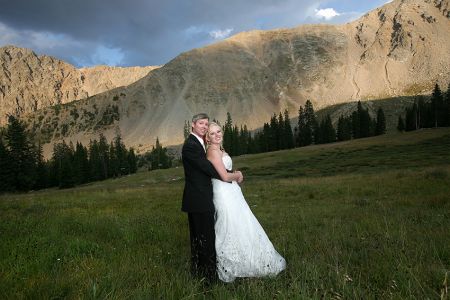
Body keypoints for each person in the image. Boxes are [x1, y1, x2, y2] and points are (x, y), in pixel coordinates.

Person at [206, 122, 286, 283]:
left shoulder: (220, 149)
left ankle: (248, 257)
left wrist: (234, 175)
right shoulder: (212, 151)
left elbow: (226, 172)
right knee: (228, 225)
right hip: (223, 192)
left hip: (232, 191)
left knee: (243, 223)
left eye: (219, 131)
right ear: (207, 137)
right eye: (212, 133)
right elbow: (224, 176)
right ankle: (230, 262)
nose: (217, 135)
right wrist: (238, 174)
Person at [181, 113, 243, 283]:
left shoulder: (200, 143)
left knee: (202, 238)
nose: (204, 126)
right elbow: (207, 168)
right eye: (201, 123)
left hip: (203, 197)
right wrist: (230, 175)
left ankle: (200, 271)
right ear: (193, 125)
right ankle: (209, 278)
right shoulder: (191, 146)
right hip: (198, 198)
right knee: (205, 239)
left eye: (206, 124)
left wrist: (227, 175)